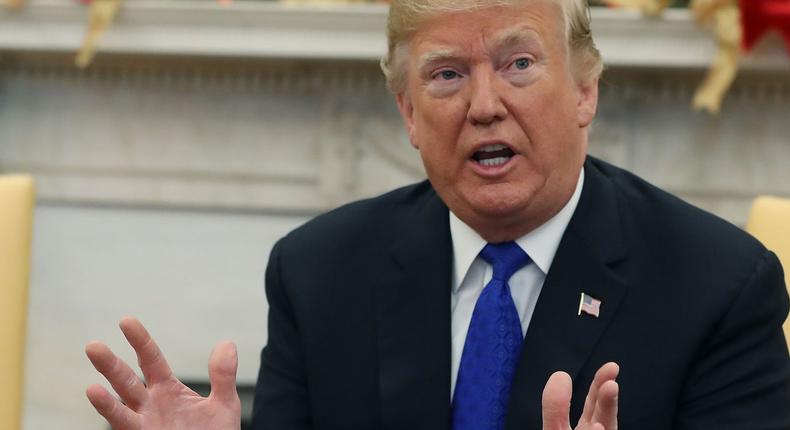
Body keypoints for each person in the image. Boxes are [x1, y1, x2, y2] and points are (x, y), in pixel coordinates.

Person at [84, 0, 790, 429]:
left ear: (585, 91)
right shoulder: (318, 272)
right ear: (409, 114)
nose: (484, 104)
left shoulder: (718, 287)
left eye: (518, 63)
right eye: (447, 74)